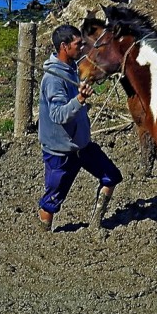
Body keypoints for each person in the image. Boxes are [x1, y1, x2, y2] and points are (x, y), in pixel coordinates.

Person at [37, 24, 122, 232]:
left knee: (111, 176)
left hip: (82, 145)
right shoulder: (53, 79)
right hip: (61, 152)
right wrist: (81, 99)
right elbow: (58, 115)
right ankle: (43, 233)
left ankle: (95, 224)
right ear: (64, 47)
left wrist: (80, 100)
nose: (83, 48)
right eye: (78, 44)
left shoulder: (71, 68)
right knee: (52, 201)